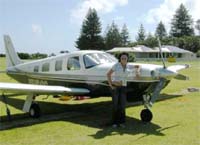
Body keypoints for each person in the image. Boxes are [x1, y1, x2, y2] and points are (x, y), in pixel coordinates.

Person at [107, 52, 129, 128]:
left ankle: (122, 122)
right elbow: (108, 74)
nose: (123, 59)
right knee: (115, 105)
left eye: (125, 58)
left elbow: (137, 67)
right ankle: (114, 123)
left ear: (127, 59)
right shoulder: (116, 65)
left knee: (122, 105)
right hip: (116, 87)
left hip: (123, 88)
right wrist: (111, 85)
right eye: (122, 58)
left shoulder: (128, 66)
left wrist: (138, 70)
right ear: (120, 59)